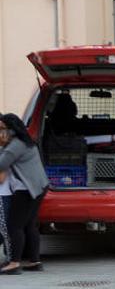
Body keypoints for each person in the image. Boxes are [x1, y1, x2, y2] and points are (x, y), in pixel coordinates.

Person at [0, 113, 49, 275]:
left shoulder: (16, 145)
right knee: (29, 225)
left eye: (2, 128)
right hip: (38, 187)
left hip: (26, 190)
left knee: (15, 226)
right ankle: (35, 261)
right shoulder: (26, 141)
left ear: (11, 130)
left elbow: (1, 164)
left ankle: (14, 263)